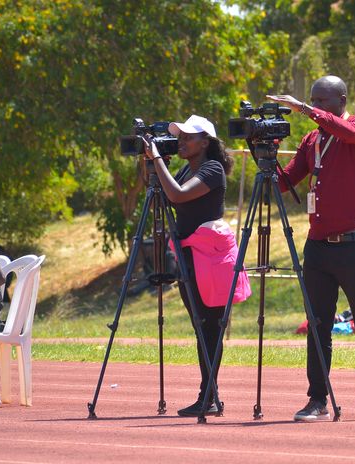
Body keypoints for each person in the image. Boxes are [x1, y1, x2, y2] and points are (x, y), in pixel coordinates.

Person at [267, 75, 355, 422]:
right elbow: (286, 181)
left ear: (341, 100)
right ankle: (317, 400)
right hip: (318, 247)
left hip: (354, 243)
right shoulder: (312, 140)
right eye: (313, 99)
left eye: (323, 100)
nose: (317, 106)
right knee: (318, 325)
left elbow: (351, 133)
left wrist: (305, 110)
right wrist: (267, 156)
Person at [142, 114, 250, 417]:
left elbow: (177, 195)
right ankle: (209, 395)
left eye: (188, 137)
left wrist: (157, 158)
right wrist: (151, 163)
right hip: (190, 255)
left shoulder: (212, 169)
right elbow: (160, 194)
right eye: (181, 137)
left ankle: (210, 396)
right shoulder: (185, 169)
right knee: (200, 326)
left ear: (205, 142)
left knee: (210, 327)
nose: (182, 142)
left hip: (211, 258)